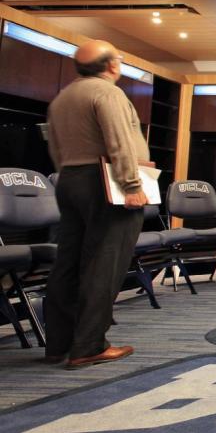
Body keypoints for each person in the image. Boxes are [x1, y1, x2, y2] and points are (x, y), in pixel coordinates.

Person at [44, 40, 149, 368]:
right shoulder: (108, 94)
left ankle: (58, 343)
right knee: (104, 263)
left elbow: (57, 149)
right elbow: (118, 140)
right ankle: (89, 345)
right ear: (112, 66)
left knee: (69, 262)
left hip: (70, 180)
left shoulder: (62, 98)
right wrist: (131, 185)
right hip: (106, 184)